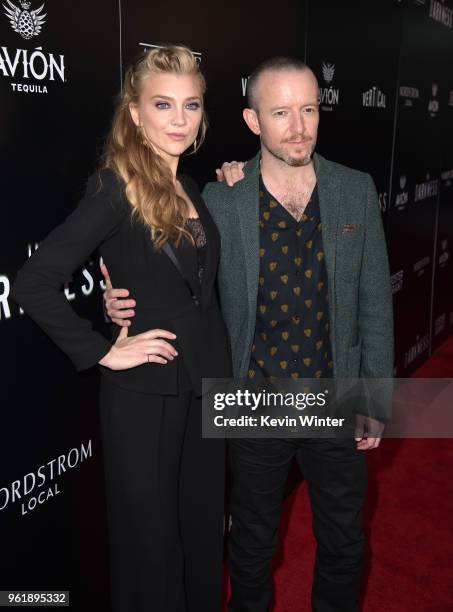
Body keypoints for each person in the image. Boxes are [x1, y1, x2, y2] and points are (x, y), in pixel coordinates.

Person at [104, 56, 394, 611]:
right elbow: (176, 284)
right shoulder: (222, 200)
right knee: (250, 546)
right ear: (253, 120)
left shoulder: (355, 190)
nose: (298, 126)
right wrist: (117, 305)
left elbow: (375, 302)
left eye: (308, 109)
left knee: (344, 542)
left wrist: (376, 395)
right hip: (252, 401)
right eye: (280, 112)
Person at [11, 46, 232, 612]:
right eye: (163, 104)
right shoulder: (116, 188)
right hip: (145, 395)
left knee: (202, 534)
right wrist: (105, 350)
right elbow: (37, 280)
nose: (180, 119)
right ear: (135, 113)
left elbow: (191, 285)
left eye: (191, 105)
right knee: (151, 548)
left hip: (206, 385)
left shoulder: (192, 187)